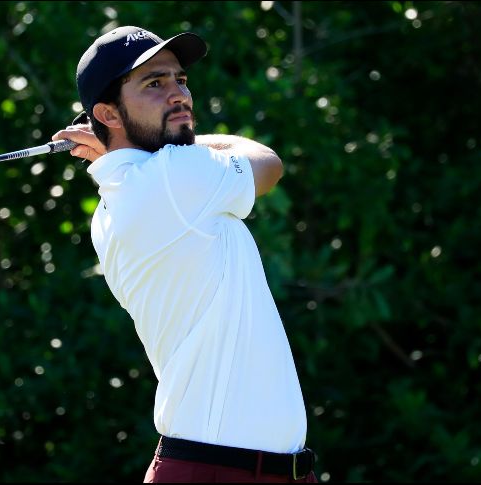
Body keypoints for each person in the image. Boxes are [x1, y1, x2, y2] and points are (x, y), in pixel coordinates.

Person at [52, 26, 317, 483]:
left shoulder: (117, 203)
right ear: (107, 113)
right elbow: (267, 162)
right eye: (154, 84)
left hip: (232, 467)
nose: (179, 95)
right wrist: (172, 144)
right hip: (222, 471)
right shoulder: (174, 178)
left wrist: (122, 143)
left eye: (180, 80)